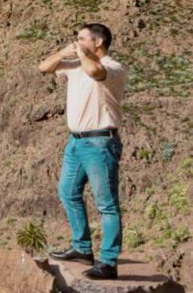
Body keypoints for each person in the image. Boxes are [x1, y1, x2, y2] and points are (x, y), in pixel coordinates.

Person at [36, 23, 128, 280]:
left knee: (106, 204)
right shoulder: (75, 64)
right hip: (76, 142)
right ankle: (81, 247)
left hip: (100, 142)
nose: (77, 42)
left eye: (81, 38)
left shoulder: (113, 67)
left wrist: (81, 54)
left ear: (98, 42)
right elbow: (44, 67)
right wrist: (65, 52)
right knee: (67, 193)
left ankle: (108, 261)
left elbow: (96, 71)